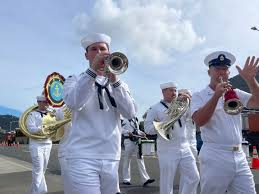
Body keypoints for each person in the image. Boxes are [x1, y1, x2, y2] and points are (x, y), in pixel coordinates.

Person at [62, 32, 137, 194]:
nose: (99, 53)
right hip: (82, 155)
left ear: (109, 53)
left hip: (111, 155)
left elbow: (130, 112)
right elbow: (74, 103)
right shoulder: (74, 79)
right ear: (86, 55)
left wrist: (115, 81)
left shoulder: (120, 84)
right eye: (94, 49)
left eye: (102, 49)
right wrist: (92, 72)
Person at [191, 51, 259, 194]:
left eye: (225, 69)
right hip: (215, 155)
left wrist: (251, 80)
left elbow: (257, 102)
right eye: (217, 69)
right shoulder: (199, 96)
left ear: (229, 72)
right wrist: (216, 96)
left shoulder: (236, 93)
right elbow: (199, 121)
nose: (221, 72)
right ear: (209, 72)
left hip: (239, 154)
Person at [144, 82, 200, 194]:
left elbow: (193, 117)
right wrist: (164, 124)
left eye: (175, 90)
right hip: (167, 149)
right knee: (167, 182)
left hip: (185, 147)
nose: (174, 93)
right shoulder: (155, 108)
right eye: (170, 90)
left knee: (194, 177)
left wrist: (191, 102)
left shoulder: (181, 105)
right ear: (163, 92)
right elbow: (147, 128)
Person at [25, 95, 52, 194]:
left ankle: (36, 191)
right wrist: (43, 129)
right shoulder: (32, 114)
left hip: (48, 143)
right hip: (36, 144)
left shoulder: (51, 114)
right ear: (39, 102)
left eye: (47, 102)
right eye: (45, 102)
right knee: (38, 170)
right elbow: (31, 129)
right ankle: (39, 192)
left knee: (42, 170)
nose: (47, 104)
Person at [121, 117, 155, 186]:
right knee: (127, 160)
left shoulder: (135, 119)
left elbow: (137, 130)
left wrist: (142, 133)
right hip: (128, 141)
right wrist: (127, 132)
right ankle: (126, 179)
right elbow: (120, 129)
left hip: (136, 141)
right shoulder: (123, 119)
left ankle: (145, 179)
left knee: (140, 158)